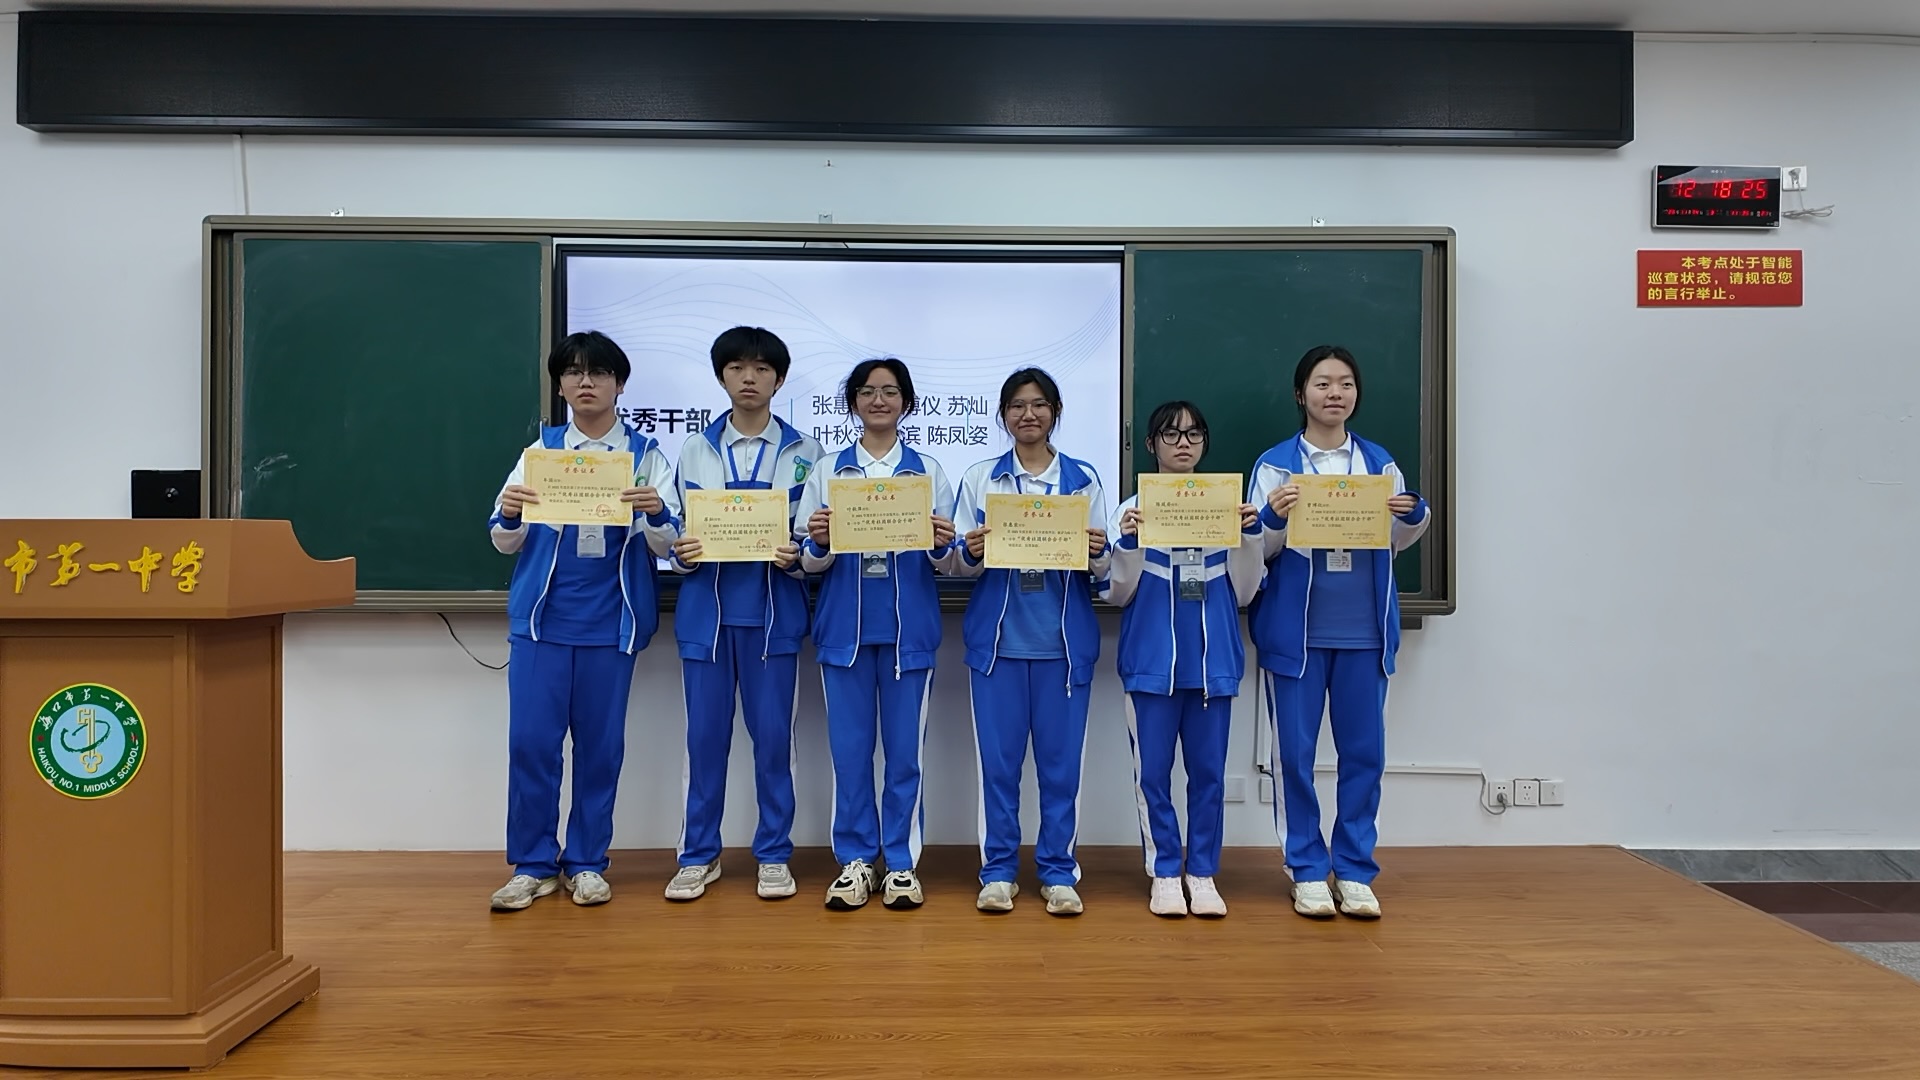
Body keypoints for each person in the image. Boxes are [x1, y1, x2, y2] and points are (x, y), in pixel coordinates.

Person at [485, 331, 678, 911]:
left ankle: (588, 862)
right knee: (532, 745)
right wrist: (510, 513)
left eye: (598, 373)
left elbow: (670, 545)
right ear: (561, 385)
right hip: (542, 625)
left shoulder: (646, 456)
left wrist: (656, 512)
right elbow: (503, 540)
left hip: (611, 624)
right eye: (572, 373)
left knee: (600, 749)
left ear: (620, 384)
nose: (585, 382)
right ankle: (533, 865)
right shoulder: (539, 453)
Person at [1247, 345, 1430, 920]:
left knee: (1364, 755)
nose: (1335, 393)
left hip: (1365, 633)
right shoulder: (1275, 466)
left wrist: (1413, 514)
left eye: (1345, 383)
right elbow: (1254, 551)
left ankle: (1353, 869)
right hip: (1296, 635)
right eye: (1323, 383)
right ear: (1301, 393)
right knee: (1294, 756)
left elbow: (1397, 541)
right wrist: (1272, 518)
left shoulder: (1380, 464)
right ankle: (1305, 868)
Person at [661, 326, 819, 903]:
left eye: (760, 368)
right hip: (706, 620)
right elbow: (672, 532)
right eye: (736, 368)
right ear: (721, 376)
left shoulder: (807, 453)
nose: (748, 378)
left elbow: (817, 538)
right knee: (704, 742)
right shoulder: (694, 449)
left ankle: (773, 854)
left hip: (774, 620)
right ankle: (698, 855)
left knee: (774, 742)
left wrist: (801, 555)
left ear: (779, 378)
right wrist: (678, 551)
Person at [798, 358, 959, 911]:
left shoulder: (927, 472)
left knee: (905, 756)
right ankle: (855, 861)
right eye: (867, 391)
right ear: (853, 403)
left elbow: (948, 561)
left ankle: (901, 862)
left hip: (908, 635)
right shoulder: (829, 470)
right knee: (849, 755)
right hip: (843, 633)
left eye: (890, 391)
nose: (879, 400)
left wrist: (941, 543)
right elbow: (805, 560)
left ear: (906, 403)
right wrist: (818, 541)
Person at [951, 367, 1110, 916]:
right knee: (998, 768)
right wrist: (969, 551)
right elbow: (957, 564)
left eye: (1039, 404)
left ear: (1055, 412)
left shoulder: (1083, 480)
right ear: (1003, 416)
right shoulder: (982, 477)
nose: (1028, 414)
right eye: (1017, 405)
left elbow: (1105, 566)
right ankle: (998, 871)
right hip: (996, 647)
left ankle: (1059, 872)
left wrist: (1098, 551)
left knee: (1060, 770)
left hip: (1064, 648)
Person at [1103, 400, 1263, 918]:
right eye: (1171, 435)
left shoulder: (1227, 506)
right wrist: (1128, 542)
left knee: (1209, 775)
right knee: (1152, 775)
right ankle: (1166, 871)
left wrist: (1250, 537)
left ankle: (1203, 872)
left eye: (1194, 434)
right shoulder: (1130, 509)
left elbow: (1245, 591)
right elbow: (1115, 592)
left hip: (1213, 664)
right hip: (1150, 663)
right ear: (1151, 444)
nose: (1183, 444)